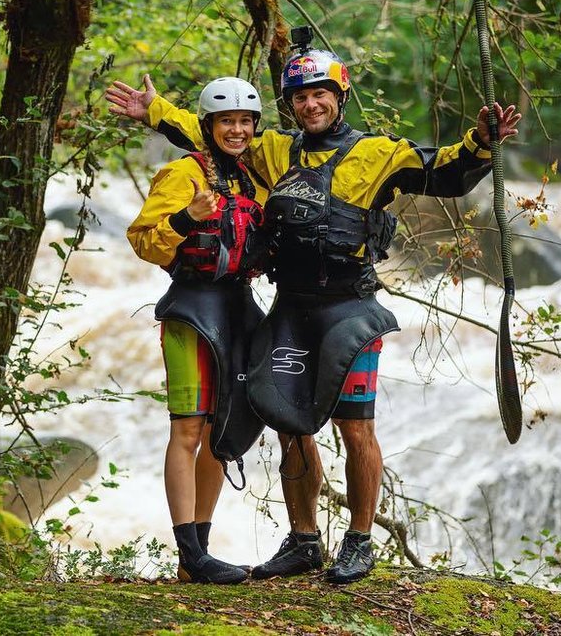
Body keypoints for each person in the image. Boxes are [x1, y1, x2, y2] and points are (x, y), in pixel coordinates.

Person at [108, 40, 521, 584]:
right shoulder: (274, 150)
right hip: (290, 308)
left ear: (339, 95)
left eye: (321, 93)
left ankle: (360, 540)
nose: (311, 104)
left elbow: (442, 172)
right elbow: (215, 134)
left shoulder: (379, 153)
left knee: (356, 429)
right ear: (290, 105)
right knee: (289, 425)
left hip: (349, 308)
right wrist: (156, 113)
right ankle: (304, 541)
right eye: (300, 97)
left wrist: (480, 142)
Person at [125, 76, 270, 584]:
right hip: (191, 308)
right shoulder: (182, 173)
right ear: (207, 127)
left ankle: (200, 554)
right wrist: (188, 218)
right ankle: (189, 552)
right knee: (187, 429)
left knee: (219, 431)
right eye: (226, 122)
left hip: (237, 308)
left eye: (245, 122)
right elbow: (143, 240)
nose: (236, 130)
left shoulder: (252, 178)